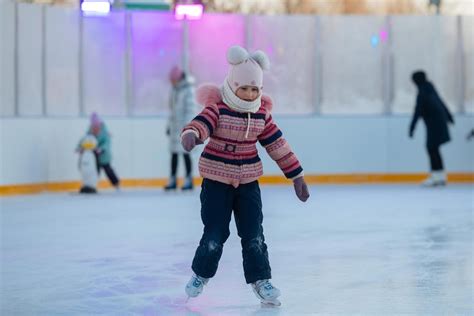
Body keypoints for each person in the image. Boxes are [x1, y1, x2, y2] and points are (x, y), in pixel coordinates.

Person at [180, 46, 310, 306]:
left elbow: (277, 145)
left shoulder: (261, 114)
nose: (250, 94)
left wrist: (296, 175)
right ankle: (200, 274)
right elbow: (201, 123)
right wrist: (192, 135)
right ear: (233, 85)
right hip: (217, 182)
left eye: (255, 89)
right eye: (244, 88)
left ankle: (261, 280)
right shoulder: (218, 109)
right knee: (215, 233)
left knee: (254, 234)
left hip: (248, 183)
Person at [409, 70, 454, 187]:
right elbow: (441, 101)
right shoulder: (430, 89)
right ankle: (440, 176)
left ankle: (436, 177)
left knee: (431, 148)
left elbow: (417, 110)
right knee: (433, 149)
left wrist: (412, 127)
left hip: (434, 123)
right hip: (437, 122)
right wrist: (449, 116)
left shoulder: (423, 92)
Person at [164, 66, 196, 191]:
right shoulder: (174, 90)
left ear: (178, 78)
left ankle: (189, 179)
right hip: (174, 127)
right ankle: (173, 179)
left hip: (184, 127)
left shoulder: (188, 90)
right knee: (174, 153)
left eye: (172, 80)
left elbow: (190, 109)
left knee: (185, 153)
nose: (171, 82)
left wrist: (188, 128)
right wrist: (169, 125)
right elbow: (171, 110)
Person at [77, 113, 120, 190]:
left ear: (100, 124)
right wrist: (79, 148)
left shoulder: (105, 134)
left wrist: (101, 149)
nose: (95, 128)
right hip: (93, 157)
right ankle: (92, 185)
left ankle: (116, 184)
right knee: (94, 171)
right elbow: (83, 141)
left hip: (104, 157)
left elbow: (107, 144)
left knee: (108, 171)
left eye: (97, 126)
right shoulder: (89, 132)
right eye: (94, 126)